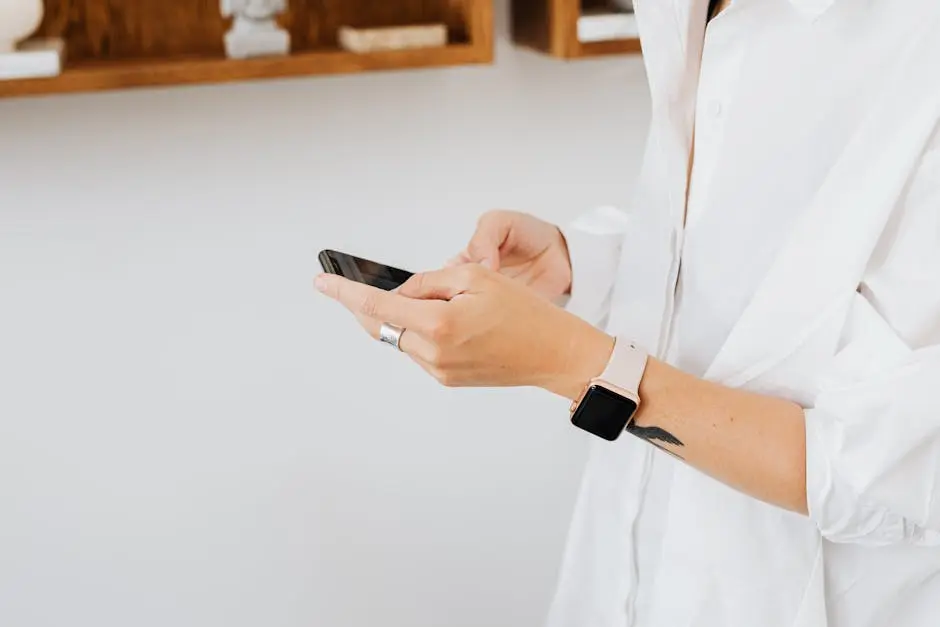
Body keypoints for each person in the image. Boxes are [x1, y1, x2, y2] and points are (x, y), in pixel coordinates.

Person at [315, 1, 940, 625]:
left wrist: (575, 365)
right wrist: (583, 264)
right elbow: (761, 274)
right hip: (622, 568)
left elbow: (886, 470)